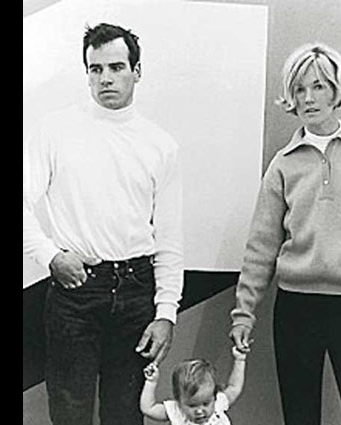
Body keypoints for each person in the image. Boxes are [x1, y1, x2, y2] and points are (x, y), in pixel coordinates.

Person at [229, 42, 341, 425]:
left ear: (338, 90)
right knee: (300, 416)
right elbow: (261, 246)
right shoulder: (283, 165)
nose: (309, 98)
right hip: (295, 308)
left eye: (319, 87)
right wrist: (243, 313)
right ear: (291, 97)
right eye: (299, 89)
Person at [23, 23, 184, 425]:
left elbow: (169, 235)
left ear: (137, 71)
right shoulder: (55, 130)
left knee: (125, 416)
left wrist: (165, 312)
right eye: (95, 69)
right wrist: (50, 256)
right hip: (75, 293)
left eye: (116, 67)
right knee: (70, 414)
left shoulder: (159, 145)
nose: (106, 78)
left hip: (136, 292)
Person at [140, 346, 247, 424]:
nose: (200, 411)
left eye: (205, 404)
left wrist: (239, 360)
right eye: (192, 405)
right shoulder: (177, 412)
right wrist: (151, 382)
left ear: (214, 397)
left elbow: (234, 387)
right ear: (179, 400)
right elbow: (148, 408)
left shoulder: (218, 404)